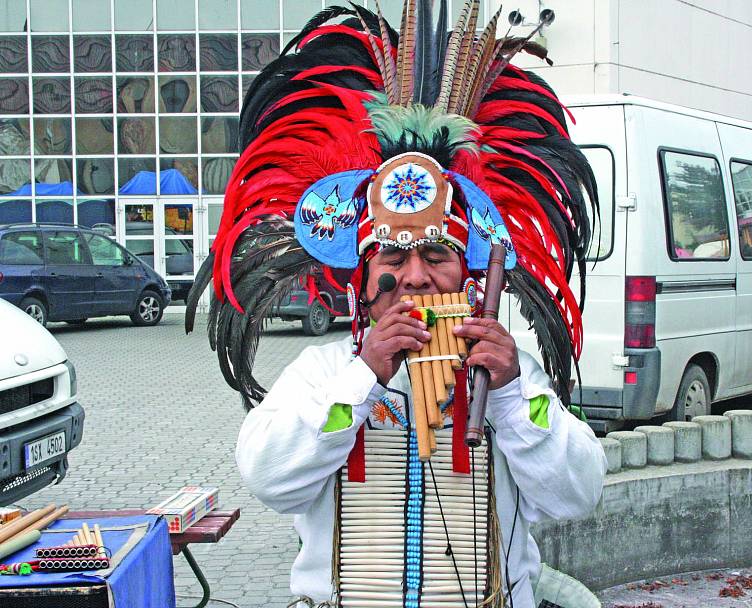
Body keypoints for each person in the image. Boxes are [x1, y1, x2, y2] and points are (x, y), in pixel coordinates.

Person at [186, 2, 607, 606]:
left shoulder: (512, 382)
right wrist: (364, 379)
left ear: (468, 277)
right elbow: (268, 479)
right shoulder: (322, 374)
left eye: (437, 257)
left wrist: (513, 398)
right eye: (393, 261)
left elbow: (580, 495)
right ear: (362, 283)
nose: (416, 279)